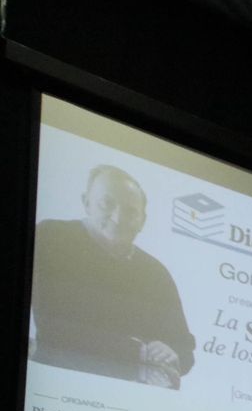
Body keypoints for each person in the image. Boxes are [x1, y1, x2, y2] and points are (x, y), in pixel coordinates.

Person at [30, 164, 196, 388]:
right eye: (107, 204)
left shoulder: (157, 272)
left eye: (131, 211)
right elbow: (52, 327)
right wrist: (139, 351)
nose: (118, 218)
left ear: (143, 221)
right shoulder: (52, 237)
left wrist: (171, 353)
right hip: (61, 391)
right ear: (87, 203)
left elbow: (185, 351)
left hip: (135, 404)